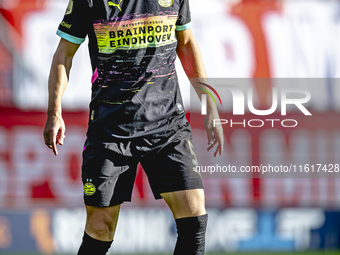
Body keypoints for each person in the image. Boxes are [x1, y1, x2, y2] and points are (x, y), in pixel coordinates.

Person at [43, 0, 223, 254]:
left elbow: (186, 43)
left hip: (168, 126)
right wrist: (54, 112)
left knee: (194, 216)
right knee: (100, 228)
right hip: (110, 131)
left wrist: (210, 103)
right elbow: (64, 54)